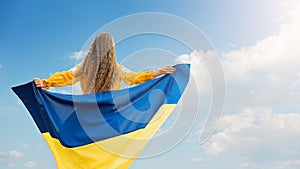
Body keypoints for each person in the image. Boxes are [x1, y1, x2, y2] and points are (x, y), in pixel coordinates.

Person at [34, 32, 176, 94]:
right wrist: (46, 83)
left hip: (107, 112)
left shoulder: (117, 69)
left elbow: (134, 78)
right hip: (91, 112)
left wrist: (159, 72)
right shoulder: (85, 67)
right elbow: (67, 76)